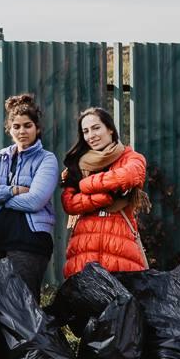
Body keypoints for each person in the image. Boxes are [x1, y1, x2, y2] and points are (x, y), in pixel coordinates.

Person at [0, 93, 60, 300]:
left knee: (23, 304)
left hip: (29, 240)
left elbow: (35, 201)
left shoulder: (46, 159)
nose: (22, 131)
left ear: (37, 128)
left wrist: (0, 192)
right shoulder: (0, 157)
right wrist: (13, 189)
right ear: (9, 129)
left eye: (28, 125)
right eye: (17, 126)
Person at [60, 106, 150, 277]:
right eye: (85, 131)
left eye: (96, 128)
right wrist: (104, 197)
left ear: (110, 129)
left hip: (121, 246)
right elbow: (69, 203)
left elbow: (129, 176)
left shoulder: (131, 157)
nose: (91, 135)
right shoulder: (76, 165)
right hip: (84, 246)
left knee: (124, 301)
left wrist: (86, 185)